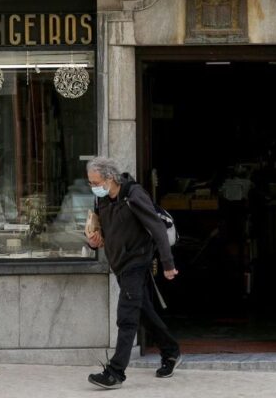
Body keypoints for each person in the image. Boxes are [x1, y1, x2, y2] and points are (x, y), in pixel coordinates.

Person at [85, 157, 181, 390]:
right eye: (90, 183)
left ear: (110, 178)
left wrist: (168, 264)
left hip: (136, 263)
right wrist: (93, 242)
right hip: (119, 264)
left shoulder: (134, 195)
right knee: (143, 311)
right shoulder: (103, 200)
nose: (93, 187)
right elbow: (102, 231)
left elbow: (157, 228)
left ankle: (115, 372)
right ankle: (171, 351)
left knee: (126, 316)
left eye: (95, 182)